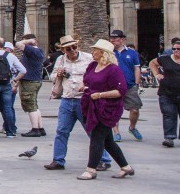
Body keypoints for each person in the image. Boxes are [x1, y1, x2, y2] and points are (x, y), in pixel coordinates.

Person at [44, 35, 109, 171]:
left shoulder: (88, 58)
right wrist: (58, 75)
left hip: (84, 99)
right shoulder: (60, 60)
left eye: (74, 47)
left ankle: (103, 159)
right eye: (69, 48)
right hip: (67, 99)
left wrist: (87, 84)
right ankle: (58, 160)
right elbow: (52, 76)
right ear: (63, 50)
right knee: (62, 130)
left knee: (92, 131)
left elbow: (99, 74)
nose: (73, 50)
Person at [77, 39, 134, 180]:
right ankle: (126, 167)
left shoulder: (113, 69)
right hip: (93, 106)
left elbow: (121, 90)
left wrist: (100, 95)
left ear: (103, 53)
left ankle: (91, 170)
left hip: (108, 109)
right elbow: (86, 80)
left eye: (95, 49)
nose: (92, 52)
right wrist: (83, 87)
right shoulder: (92, 66)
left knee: (97, 137)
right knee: (108, 141)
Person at [108, 30, 143, 142]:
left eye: (115, 38)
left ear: (122, 39)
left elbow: (137, 68)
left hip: (130, 85)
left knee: (135, 110)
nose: (113, 40)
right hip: (113, 86)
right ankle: (116, 132)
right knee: (114, 110)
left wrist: (137, 84)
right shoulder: (109, 53)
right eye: (111, 38)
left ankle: (132, 127)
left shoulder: (132, 53)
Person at [147, 37, 180, 147]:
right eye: (174, 49)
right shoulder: (165, 58)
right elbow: (152, 63)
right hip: (166, 92)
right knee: (169, 114)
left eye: (178, 49)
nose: (176, 51)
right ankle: (169, 137)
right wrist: (157, 74)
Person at [16, 34, 47, 136]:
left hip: (29, 81)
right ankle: (40, 127)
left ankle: (35, 129)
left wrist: (27, 41)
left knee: (30, 105)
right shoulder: (39, 51)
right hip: (35, 80)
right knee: (34, 104)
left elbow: (18, 44)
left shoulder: (31, 50)